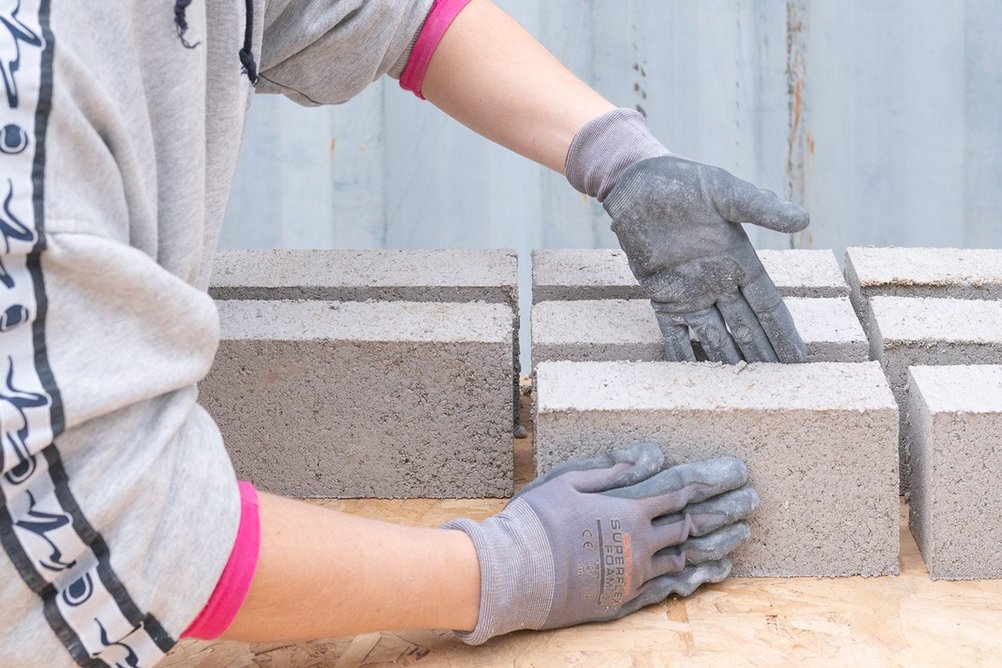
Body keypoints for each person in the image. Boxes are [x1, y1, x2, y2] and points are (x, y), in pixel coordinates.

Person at [0, 1, 807, 665]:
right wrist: (506, 571)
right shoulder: (29, 88)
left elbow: (377, 13)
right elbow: (123, 530)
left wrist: (619, 157)